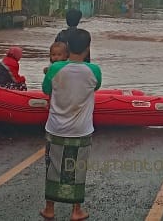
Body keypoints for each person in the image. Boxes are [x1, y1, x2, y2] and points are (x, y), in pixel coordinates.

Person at [40, 28, 101, 221]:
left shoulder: (55, 69)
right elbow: (96, 87)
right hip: (81, 129)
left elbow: (46, 89)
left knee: (52, 166)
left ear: (67, 46)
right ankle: (76, 211)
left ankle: (49, 209)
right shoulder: (94, 71)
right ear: (87, 48)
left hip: (56, 127)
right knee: (77, 169)